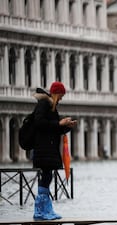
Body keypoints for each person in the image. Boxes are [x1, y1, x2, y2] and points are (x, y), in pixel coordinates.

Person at [32, 82, 77, 220]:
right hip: (43, 149)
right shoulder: (44, 104)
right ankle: (40, 211)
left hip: (48, 149)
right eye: (61, 96)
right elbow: (38, 123)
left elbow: (54, 129)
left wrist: (67, 126)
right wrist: (59, 123)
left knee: (48, 176)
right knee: (46, 177)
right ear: (56, 93)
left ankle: (45, 209)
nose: (62, 99)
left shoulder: (51, 106)